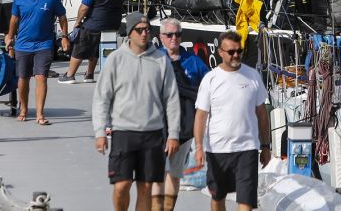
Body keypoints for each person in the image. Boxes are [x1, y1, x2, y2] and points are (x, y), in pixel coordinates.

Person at [93, 11, 180, 211]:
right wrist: (99, 132)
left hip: (153, 133)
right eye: (139, 30)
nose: (144, 34)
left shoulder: (160, 59)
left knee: (146, 187)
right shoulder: (115, 59)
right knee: (122, 186)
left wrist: (173, 134)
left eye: (147, 30)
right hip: (123, 132)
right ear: (130, 33)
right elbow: (101, 98)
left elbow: (172, 99)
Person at [194, 31, 271, 211]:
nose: (236, 55)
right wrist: (199, 147)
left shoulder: (253, 77)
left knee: (245, 203)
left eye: (239, 51)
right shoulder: (210, 79)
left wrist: (265, 146)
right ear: (220, 52)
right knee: (218, 198)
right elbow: (200, 116)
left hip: (247, 149)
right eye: (231, 52)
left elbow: (262, 114)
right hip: (218, 150)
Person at [152, 18, 209, 211]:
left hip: (184, 129)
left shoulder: (194, 61)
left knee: (174, 173)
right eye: (169, 35)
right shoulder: (153, 59)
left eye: (177, 34)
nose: (174, 38)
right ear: (161, 37)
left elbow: (209, 89)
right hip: (156, 126)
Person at [5, 0, 70, 125]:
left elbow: (62, 17)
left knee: (41, 77)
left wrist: (64, 36)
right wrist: (10, 37)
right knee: (23, 78)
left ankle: (40, 114)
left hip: (44, 44)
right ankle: (24, 109)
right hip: (23, 44)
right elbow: (14, 18)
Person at [59, 0, 128, 83]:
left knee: (81, 45)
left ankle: (70, 75)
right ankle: (89, 74)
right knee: (97, 47)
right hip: (114, 22)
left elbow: (84, 7)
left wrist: (78, 22)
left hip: (95, 21)